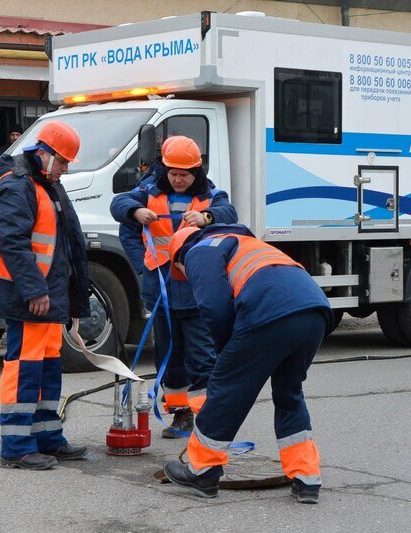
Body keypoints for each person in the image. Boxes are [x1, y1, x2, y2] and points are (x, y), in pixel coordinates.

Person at [162, 224, 333, 503]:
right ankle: (307, 478)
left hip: (269, 311)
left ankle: (202, 470)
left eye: (181, 271)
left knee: (225, 390)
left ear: (180, 255)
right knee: (289, 392)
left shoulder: (199, 249)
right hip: (314, 311)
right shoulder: (244, 243)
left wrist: (225, 352)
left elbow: (213, 304)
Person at [0, 120, 91, 470]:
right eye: (63, 162)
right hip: (28, 297)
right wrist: (34, 290)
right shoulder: (18, 184)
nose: (65, 170)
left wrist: (65, 298)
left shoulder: (43, 183)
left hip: (43, 297)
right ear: (44, 154)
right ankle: (16, 446)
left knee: (46, 368)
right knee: (26, 369)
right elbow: (13, 242)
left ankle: (47, 437)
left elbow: (61, 246)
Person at [110, 136, 237, 437]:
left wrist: (207, 217)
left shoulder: (211, 196)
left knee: (203, 357)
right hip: (162, 294)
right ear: (164, 169)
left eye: (185, 174)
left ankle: (207, 420)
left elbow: (229, 216)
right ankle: (180, 414)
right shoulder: (147, 192)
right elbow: (119, 205)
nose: (178, 179)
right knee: (169, 355)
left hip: (197, 294)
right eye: (173, 173)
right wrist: (135, 214)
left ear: (197, 172)